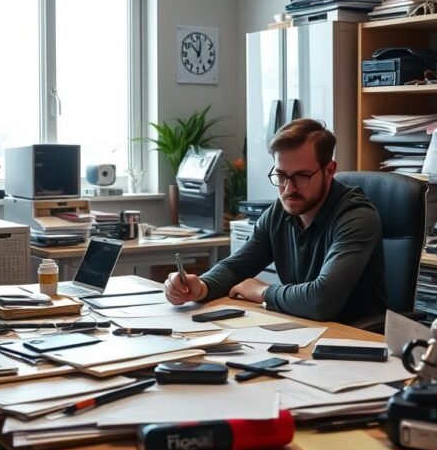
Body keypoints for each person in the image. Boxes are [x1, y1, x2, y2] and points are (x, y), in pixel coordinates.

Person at [164, 118, 387, 323]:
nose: (288, 188)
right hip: (301, 328)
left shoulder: (357, 217)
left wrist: (263, 292)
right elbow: (236, 267)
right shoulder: (280, 212)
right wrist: (201, 286)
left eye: (301, 176)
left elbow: (321, 301)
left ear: (329, 171)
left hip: (355, 341)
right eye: (281, 175)